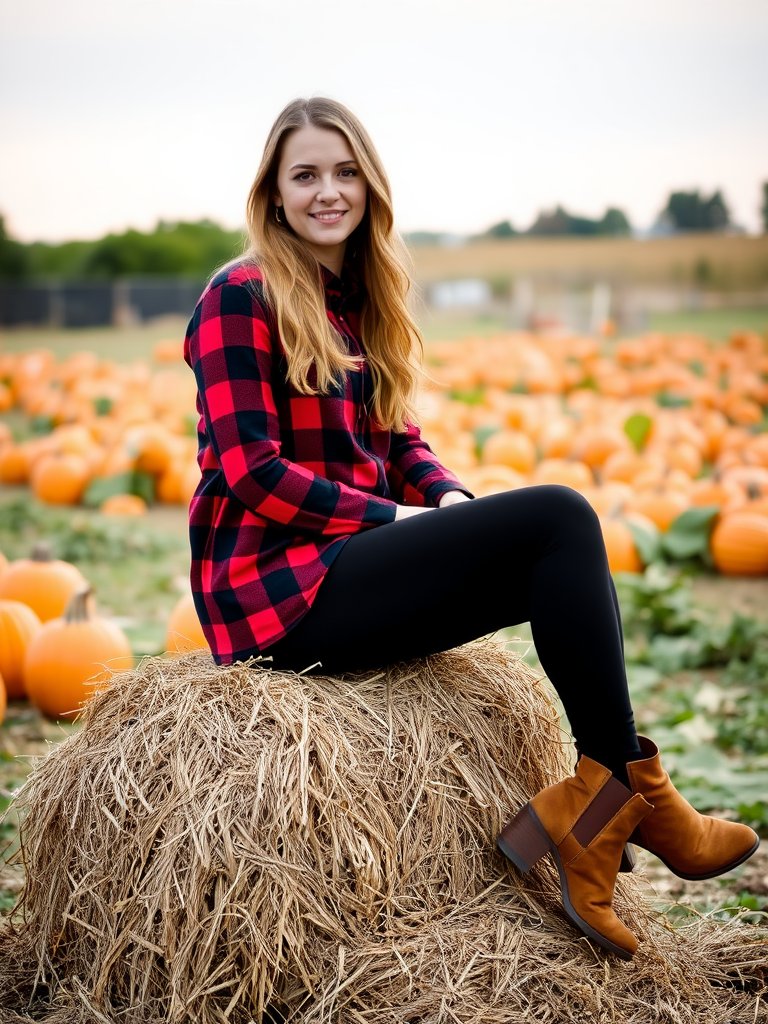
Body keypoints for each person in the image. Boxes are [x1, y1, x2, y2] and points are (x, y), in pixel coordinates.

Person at [183, 96, 759, 960]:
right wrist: (398, 516)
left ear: (371, 187)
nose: (328, 191)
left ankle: (610, 793)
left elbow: (400, 442)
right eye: (305, 175)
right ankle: (629, 800)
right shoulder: (239, 295)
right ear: (274, 193)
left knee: (558, 541)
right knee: (560, 514)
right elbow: (249, 471)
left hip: (354, 561)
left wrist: (448, 499)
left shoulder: (361, 300)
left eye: (345, 172)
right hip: (280, 593)